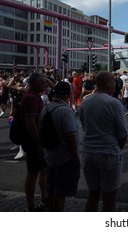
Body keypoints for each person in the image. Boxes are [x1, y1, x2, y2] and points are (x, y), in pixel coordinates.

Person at [79, 71, 128, 212]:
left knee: (93, 195)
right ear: (108, 83)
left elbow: (84, 124)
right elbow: (123, 133)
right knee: (109, 198)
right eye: (113, 82)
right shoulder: (114, 103)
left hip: (88, 152)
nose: (115, 84)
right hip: (109, 153)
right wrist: (118, 148)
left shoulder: (85, 102)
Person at [40, 81, 80, 211]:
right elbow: (71, 136)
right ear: (68, 95)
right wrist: (75, 155)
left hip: (49, 154)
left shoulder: (45, 109)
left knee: (51, 188)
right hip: (65, 157)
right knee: (60, 192)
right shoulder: (65, 111)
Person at [20, 72, 49, 211]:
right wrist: (39, 144)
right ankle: (30, 204)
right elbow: (31, 124)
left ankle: (45, 197)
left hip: (37, 140)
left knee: (43, 169)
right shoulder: (30, 98)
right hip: (33, 142)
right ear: (36, 84)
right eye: (43, 82)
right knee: (32, 173)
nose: (45, 84)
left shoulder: (33, 96)